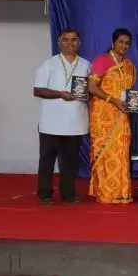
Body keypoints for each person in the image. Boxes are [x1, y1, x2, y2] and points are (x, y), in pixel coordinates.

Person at [32, 29, 91, 204]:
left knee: (70, 161)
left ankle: (68, 194)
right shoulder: (49, 64)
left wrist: (89, 96)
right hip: (51, 122)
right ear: (59, 42)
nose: (69, 43)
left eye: (73, 39)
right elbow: (38, 90)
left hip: (75, 122)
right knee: (47, 160)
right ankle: (45, 194)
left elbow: (92, 90)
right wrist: (60, 94)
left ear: (79, 42)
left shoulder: (87, 65)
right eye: (65, 40)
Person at [87, 28, 137, 204]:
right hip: (103, 115)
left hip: (122, 115)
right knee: (105, 152)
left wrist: (131, 103)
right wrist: (112, 99)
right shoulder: (102, 61)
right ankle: (106, 193)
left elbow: (129, 91)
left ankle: (121, 192)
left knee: (121, 152)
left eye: (127, 43)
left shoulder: (130, 65)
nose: (124, 45)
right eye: (120, 42)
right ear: (113, 43)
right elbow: (92, 87)